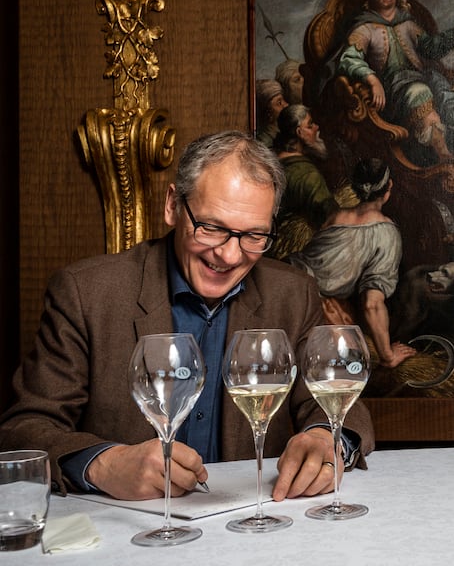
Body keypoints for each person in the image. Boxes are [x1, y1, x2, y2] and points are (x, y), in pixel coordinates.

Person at [0, 131, 374, 501]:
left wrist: (327, 439)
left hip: (249, 517)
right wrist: (103, 464)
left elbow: (339, 400)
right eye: (211, 227)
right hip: (131, 524)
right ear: (173, 206)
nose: (230, 256)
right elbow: (23, 430)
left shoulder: (293, 293)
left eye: (254, 236)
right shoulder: (86, 293)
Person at [337, 0, 454, 165]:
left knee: (446, 92)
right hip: (393, 93)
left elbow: (431, 48)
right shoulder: (364, 29)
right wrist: (372, 79)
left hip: (422, 79)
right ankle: (444, 156)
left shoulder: (407, 24)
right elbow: (349, 59)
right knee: (419, 91)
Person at [286, 158, 416, 368]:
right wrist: (388, 356)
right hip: (310, 299)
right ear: (389, 186)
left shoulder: (336, 217)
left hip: (290, 282)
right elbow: (372, 303)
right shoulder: (387, 233)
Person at [272, 104, 339, 243]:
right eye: (310, 125)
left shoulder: (272, 160)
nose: (316, 127)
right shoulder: (308, 175)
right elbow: (333, 220)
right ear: (299, 132)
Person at [255, 78, 288, 148]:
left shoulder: (283, 133)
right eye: (279, 103)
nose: (286, 105)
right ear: (268, 112)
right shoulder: (265, 143)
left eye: (284, 100)